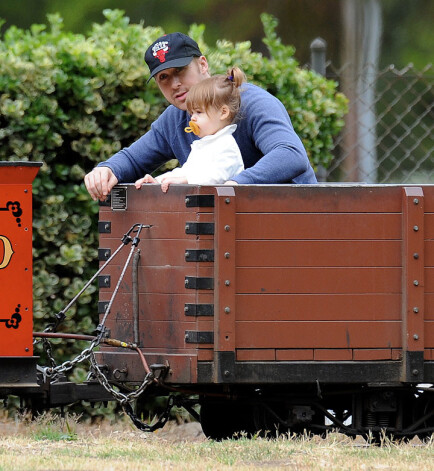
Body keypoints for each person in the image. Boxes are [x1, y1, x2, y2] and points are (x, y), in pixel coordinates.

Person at [84, 32, 317, 201]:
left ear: (203, 64)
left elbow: (291, 155)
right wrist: (107, 170)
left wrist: (233, 186)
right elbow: (133, 160)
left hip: (294, 227)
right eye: (163, 78)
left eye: (180, 71)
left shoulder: (252, 103)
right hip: (230, 232)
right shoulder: (174, 118)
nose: (175, 84)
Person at [135, 67, 245, 193]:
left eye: (199, 112)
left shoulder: (226, 145)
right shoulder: (206, 144)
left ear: (223, 113)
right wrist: (158, 181)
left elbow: (217, 176)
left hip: (224, 210)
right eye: (192, 113)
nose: (192, 118)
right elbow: (185, 172)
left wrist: (186, 180)